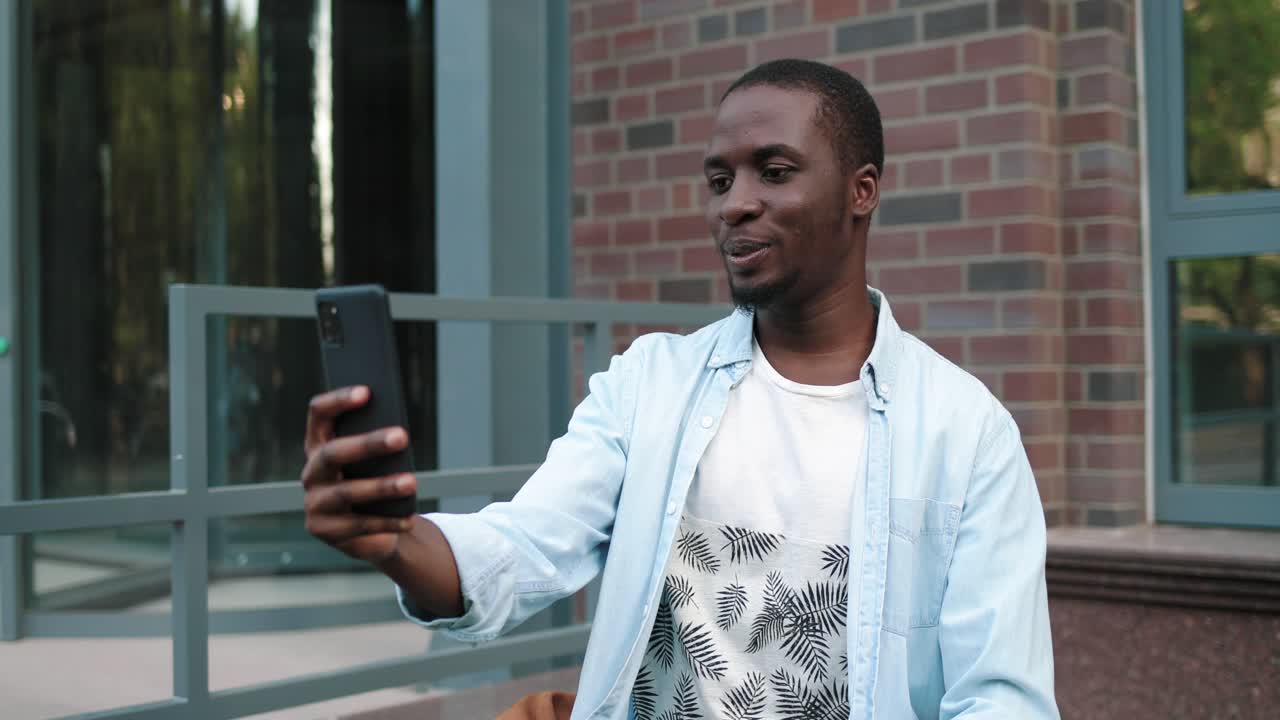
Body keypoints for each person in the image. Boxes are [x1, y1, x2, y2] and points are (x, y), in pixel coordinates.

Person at [302, 59, 1060, 720]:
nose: (734, 203)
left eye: (775, 170)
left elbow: (1000, 700)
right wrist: (397, 541)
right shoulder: (648, 385)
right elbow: (524, 548)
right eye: (721, 179)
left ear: (861, 191)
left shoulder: (967, 434)